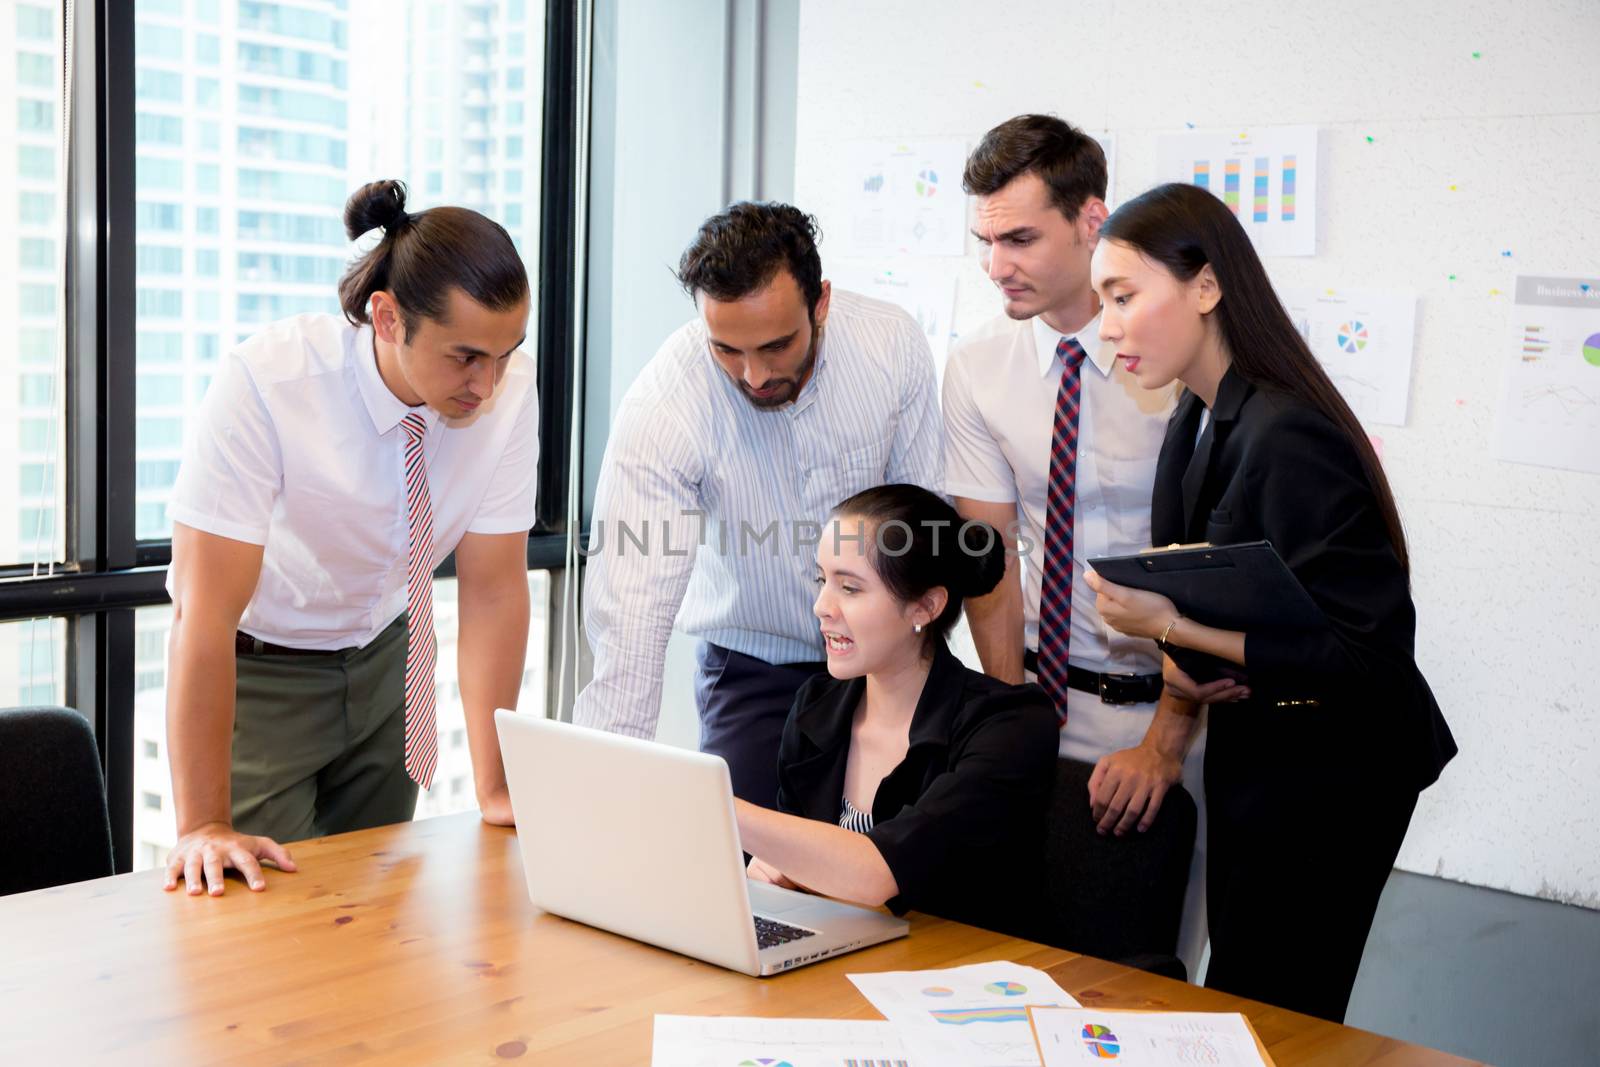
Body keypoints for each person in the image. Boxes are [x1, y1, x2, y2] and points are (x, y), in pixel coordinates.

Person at [1084, 181, 1458, 1022]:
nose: (1107, 328)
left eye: (1123, 296)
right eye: (1103, 302)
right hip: (1266, 748)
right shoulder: (1197, 417)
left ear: (1208, 287)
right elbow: (1224, 595)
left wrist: (1170, 627)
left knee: (1278, 1005)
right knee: (1247, 993)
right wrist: (1186, 651)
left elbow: (1367, 655)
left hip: (1339, 771)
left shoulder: (1286, 433)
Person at [162, 180, 540, 897]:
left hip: (387, 663)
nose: (488, 384)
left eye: (506, 353)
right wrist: (202, 823)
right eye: (465, 357)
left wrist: (496, 784)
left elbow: (493, 588)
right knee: (256, 918)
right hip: (260, 674)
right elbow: (201, 614)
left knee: (376, 918)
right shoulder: (270, 382)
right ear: (389, 317)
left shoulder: (507, 389)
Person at [943, 114, 1229, 973]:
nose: (998, 266)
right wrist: (1007, 723)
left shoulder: (1172, 358)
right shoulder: (978, 366)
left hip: (1188, 709)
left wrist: (1166, 740)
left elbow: (1217, 567)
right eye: (985, 241)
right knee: (1022, 957)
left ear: (1090, 220)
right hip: (1045, 700)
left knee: (1158, 972)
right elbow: (988, 561)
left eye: (1022, 237)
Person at [573, 202, 944, 810]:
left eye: (776, 345)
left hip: (892, 658)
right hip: (755, 670)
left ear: (820, 302)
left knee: (906, 867)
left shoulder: (890, 345)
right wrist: (600, 801)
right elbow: (631, 615)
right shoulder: (667, 404)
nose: (753, 375)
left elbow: (922, 525)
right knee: (740, 877)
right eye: (727, 349)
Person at [733, 485, 1057, 936]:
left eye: (849, 587)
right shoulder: (817, 707)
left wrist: (715, 807)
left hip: (963, 987)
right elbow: (803, 867)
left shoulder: (1011, 725)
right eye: (820, 580)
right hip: (842, 971)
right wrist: (778, 873)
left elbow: (879, 872)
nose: (821, 607)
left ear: (925, 606)